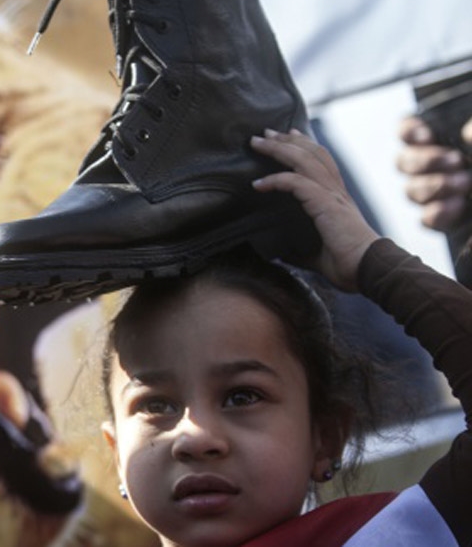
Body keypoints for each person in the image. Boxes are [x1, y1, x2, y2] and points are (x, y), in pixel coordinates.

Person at [99, 128, 471, 546]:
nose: (195, 437)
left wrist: (370, 260)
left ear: (325, 438)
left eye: (242, 396)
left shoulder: (388, 536)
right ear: (115, 453)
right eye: (155, 404)